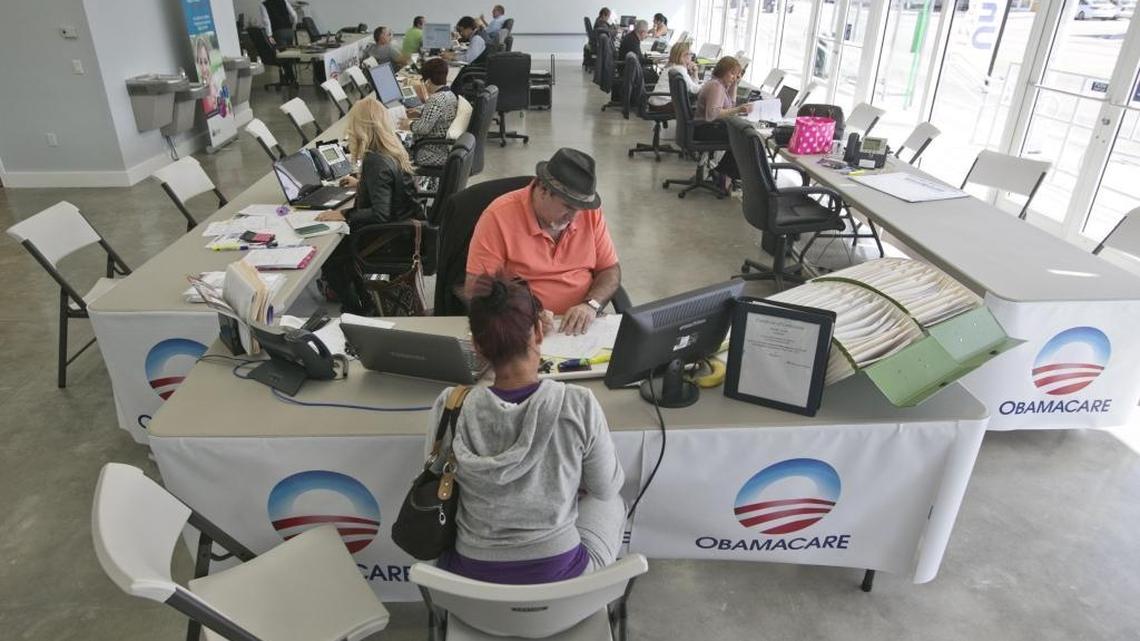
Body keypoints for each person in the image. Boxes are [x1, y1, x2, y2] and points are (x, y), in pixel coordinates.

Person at [431, 274, 626, 584]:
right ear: (538, 332)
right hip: (562, 584)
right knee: (612, 500)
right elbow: (605, 488)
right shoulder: (578, 404)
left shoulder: (451, 405)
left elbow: (434, 475)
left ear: (477, 346)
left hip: (472, 584)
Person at [466, 148, 621, 335]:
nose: (574, 217)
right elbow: (477, 287)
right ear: (542, 189)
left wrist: (591, 305)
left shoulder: (589, 214)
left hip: (581, 328)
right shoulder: (498, 217)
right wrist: (523, 315)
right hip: (521, 329)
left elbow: (610, 270)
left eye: (580, 209)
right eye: (568, 207)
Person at [315, 97, 424, 313]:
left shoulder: (375, 160)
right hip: (404, 232)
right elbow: (390, 190)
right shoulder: (392, 148)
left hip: (390, 239)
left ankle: (357, 308)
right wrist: (363, 184)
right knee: (341, 251)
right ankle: (366, 302)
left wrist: (345, 215)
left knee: (331, 256)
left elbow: (380, 215)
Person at [693, 56, 751, 190]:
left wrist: (735, 84)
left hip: (705, 127)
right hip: (704, 129)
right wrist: (738, 110)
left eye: (736, 74)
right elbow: (713, 114)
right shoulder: (716, 86)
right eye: (732, 73)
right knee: (742, 137)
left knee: (741, 134)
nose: (734, 77)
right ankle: (725, 174)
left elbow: (731, 104)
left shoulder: (719, 84)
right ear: (723, 71)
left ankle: (724, 173)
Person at [403, 58, 459, 168]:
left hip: (432, 150)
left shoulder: (435, 99)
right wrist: (421, 113)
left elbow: (423, 128)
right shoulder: (450, 94)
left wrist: (407, 124)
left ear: (428, 81)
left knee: (400, 148)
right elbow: (439, 115)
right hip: (444, 146)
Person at [648, 40, 703, 109]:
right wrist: (707, 84)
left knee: (692, 98)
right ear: (684, 56)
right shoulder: (680, 69)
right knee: (697, 102)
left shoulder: (671, 66)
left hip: (656, 102)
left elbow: (691, 86)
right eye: (691, 54)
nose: (691, 57)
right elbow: (694, 90)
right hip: (663, 104)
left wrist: (694, 74)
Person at [260, 0, 297, 85]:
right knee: (289, 54)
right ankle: (291, 78)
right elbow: (294, 15)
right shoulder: (283, 1)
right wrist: (293, 27)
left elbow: (266, 21)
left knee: (283, 55)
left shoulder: (264, 5)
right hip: (289, 31)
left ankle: (290, 79)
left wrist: (269, 36)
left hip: (278, 32)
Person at [618, 19, 658, 85]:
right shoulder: (633, 42)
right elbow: (639, 60)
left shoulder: (632, 36)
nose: (646, 35)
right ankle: (646, 94)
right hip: (628, 71)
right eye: (646, 33)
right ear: (642, 32)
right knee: (656, 76)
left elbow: (638, 58)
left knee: (652, 72)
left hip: (628, 68)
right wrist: (653, 61)